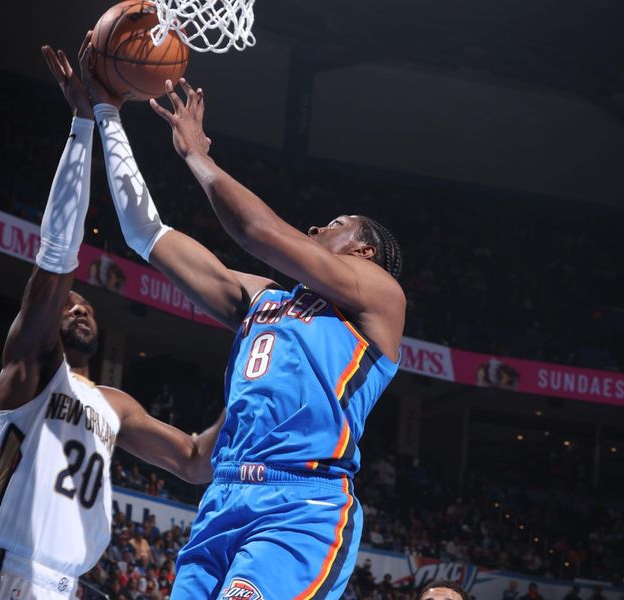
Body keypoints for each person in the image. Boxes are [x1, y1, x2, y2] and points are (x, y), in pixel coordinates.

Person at [82, 41, 405, 597]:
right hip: (223, 498)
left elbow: (258, 232)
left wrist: (196, 156)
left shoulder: (379, 299)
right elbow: (146, 234)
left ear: (364, 252)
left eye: (335, 224)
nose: (315, 227)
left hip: (300, 505)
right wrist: (107, 114)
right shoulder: (263, 300)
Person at [0, 36, 223, 600]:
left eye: (87, 307)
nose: (76, 308)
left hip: (70, 586)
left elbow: (194, 461)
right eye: (70, 304)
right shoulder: (28, 374)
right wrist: (82, 126)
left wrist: (252, 381)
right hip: (4, 574)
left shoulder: (114, 404)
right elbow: (55, 258)